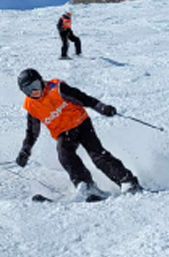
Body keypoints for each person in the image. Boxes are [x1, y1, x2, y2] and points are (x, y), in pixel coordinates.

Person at [14, 67, 141, 199]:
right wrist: (25, 151)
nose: (33, 92)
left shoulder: (57, 89)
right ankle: (86, 185)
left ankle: (127, 181)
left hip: (81, 123)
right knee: (64, 154)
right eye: (27, 90)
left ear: (41, 81)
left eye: (34, 86)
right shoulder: (32, 106)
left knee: (97, 155)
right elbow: (32, 133)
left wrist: (101, 107)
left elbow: (83, 98)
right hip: (63, 132)